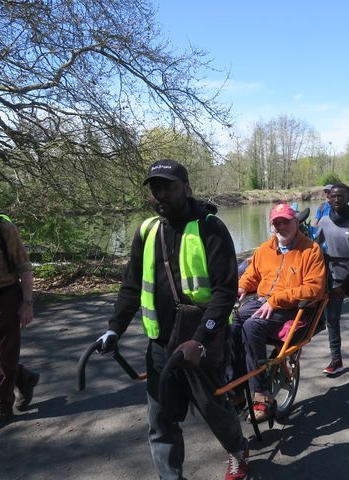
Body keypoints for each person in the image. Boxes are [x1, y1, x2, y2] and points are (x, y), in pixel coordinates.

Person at [94, 159, 249, 480]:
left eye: (168, 186)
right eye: (154, 188)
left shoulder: (210, 228)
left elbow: (225, 292)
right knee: (161, 418)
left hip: (200, 344)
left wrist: (202, 339)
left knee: (213, 409)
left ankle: (237, 449)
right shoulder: (147, 231)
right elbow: (131, 286)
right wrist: (114, 329)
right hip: (161, 346)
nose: (160, 194)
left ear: (187, 188)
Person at [235, 203, 325, 422]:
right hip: (261, 301)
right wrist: (243, 286)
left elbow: (314, 288)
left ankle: (262, 395)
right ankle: (235, 390)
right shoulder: (265, 249)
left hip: (292, 309)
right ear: (272, 226)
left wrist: (276, 300)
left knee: (251, 327)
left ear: (296, 222)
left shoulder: (311, 250)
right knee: (229, 324)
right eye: (277, 223)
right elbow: (253, 274)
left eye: (286, 221)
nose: (282, 226)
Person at [0, 199, 39, 433]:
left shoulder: (4, 229)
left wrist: (27, 303)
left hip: (5, 298)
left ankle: (2, 408)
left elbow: (24, 267)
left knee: (5, 355)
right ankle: (23, 377)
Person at [315, 183, 349, 374]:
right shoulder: (324, 221)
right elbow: (314, 247)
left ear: (348, 197)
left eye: (340, 196)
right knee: (332, 319)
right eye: (333, 196)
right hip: (333, 277)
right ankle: (336, 359)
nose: (336, 199)